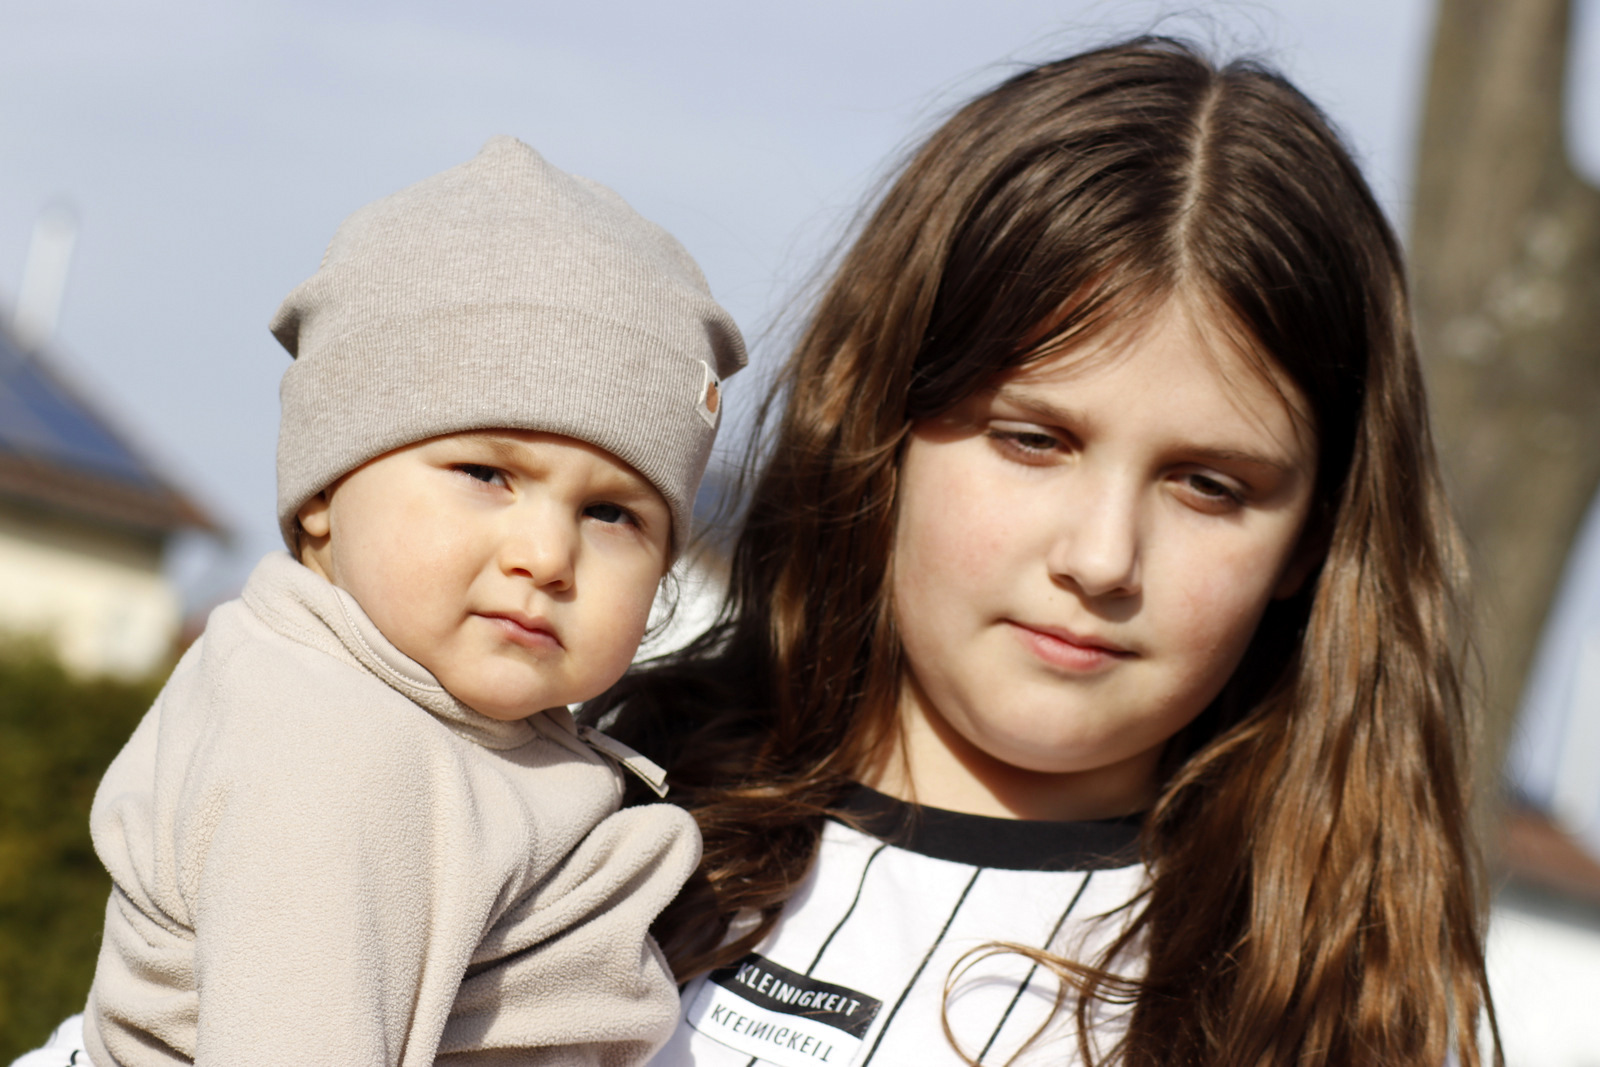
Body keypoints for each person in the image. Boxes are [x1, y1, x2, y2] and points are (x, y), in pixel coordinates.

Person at [590, 38, 1503, 1067]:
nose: (1103, 558)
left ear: (1314, 539)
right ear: (878, 421)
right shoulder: (578, 824)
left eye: (1209, 485)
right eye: (1034, 439)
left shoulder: (1317, 1021)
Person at [69, 136, 746, 1065]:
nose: (546, 555)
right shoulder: (332, 749)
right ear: (323, 493)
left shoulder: (434, 723)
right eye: (487, 474)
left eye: (611, 513)